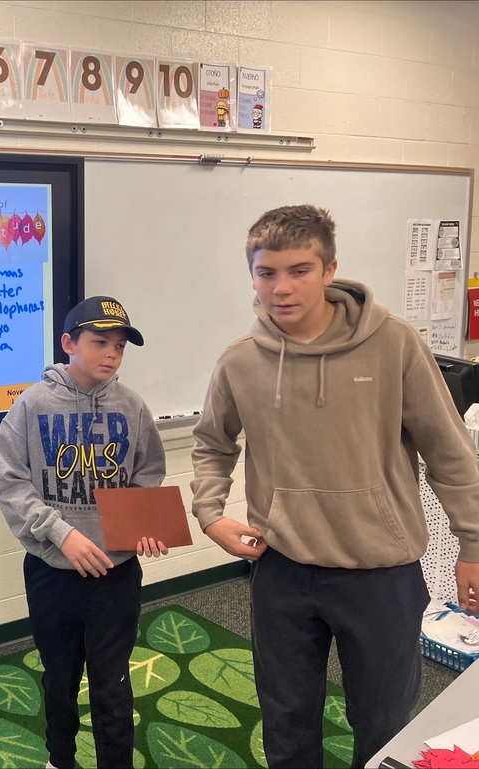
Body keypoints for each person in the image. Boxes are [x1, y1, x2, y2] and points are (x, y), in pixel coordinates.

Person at [189, 204, 479, 768]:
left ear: (329, 269)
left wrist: (474, 545)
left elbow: (451, 453)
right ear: (252, 274)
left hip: (381, 573)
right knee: (287, 720)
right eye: (266, 272)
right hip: (283, 570)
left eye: (299, 270)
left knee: (383, 722)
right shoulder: (241, 361)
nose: (281, 287)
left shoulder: (394, 344)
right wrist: (210, 513)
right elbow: (212, 443)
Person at [0, 295, 169, 769]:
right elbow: (12, 484)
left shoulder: (132, 407)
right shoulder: (31, 406)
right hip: (54, 572)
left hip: (116, 574)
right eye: (99, 342)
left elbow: (147, 474)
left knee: (112, 679)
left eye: (120, 345)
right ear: (69, 343)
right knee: (60, 675)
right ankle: (60, 758)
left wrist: (144, 526)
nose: (111, 353)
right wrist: (61, 534)